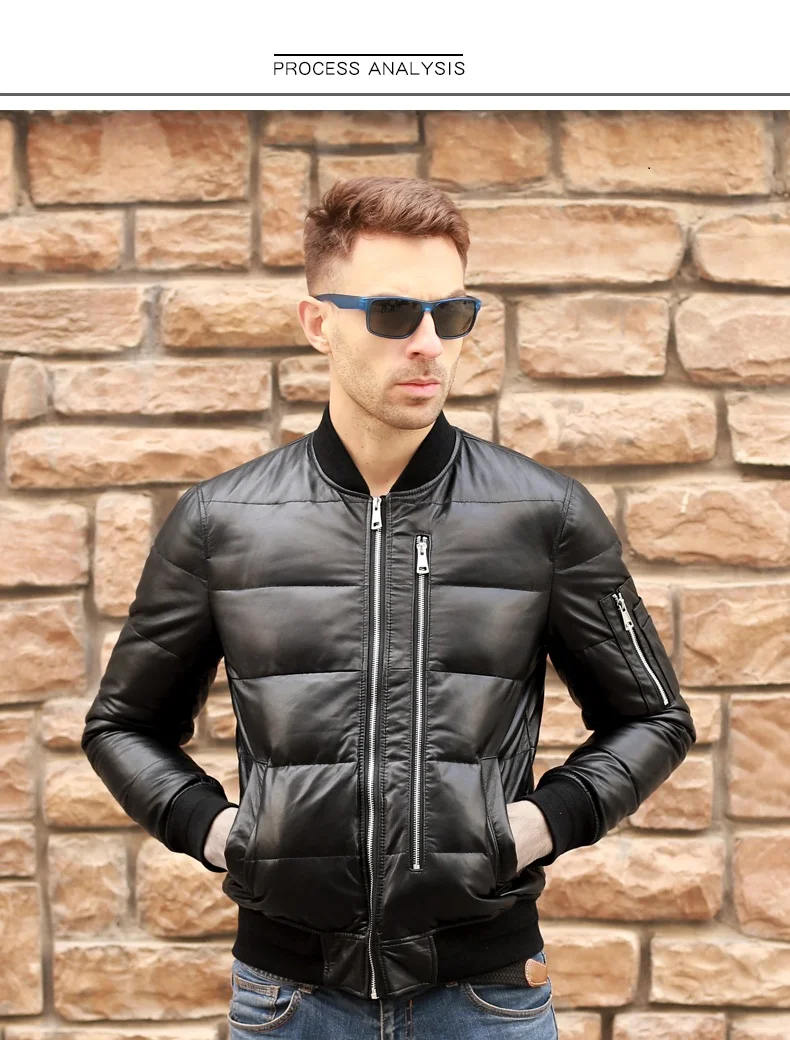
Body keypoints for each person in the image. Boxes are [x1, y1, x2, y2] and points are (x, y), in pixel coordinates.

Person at [82, 175, 696, 1038]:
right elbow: (122, 724)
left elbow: (655, 717)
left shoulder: (543, 515)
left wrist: (533, 826)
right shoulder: (222, 520)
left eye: (451, 315)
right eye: (394, 313)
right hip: (291, 1000)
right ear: (317, 323)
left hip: (484, 998)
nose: (428, 345)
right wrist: (224, 833)